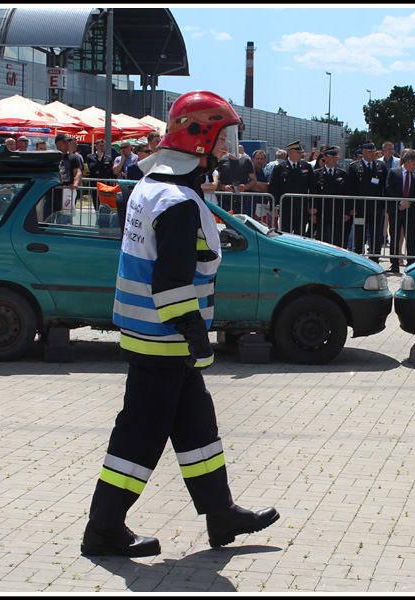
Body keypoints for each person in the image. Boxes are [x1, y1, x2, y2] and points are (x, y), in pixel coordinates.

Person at [81, 90, 279, 558]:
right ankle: (104, 528)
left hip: (152, 337)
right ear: (198, 139)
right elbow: (169, 282)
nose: (225, 151)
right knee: (139, 436)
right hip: (164, 340)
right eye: (221, 139)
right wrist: (195, 335)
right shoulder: (179, 202)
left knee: (197, 428)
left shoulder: (154, 188)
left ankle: (220, 514)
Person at [346, 142, 389, 260]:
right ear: (363, 152)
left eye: (373, 152)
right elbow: (350, 189)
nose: (372, 154)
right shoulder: (354, 167)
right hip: (360, 208)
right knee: (360, 234)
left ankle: (375, 258)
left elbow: (385, 187)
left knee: (376, 234)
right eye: (369, 152)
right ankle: (360, 258)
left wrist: (385, 205)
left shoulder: (381, 166)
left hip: (376, 207)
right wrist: (351, 207)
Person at [384, 147, 415, 271]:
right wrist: (400, 201)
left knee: (411, 236)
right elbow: (389, 188)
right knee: (394, 236)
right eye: (414, 164)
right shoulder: (393, 172)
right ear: (406, 162)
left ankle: (411, 263)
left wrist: (408, 202)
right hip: (396, 209)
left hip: (410, 211)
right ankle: (394, 264)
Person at [312, 147, 350, 247]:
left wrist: (347, 212)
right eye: (331, 157)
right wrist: (313, 212)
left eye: (335, 157)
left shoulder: (343, 174)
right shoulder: (317, 174)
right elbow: (313, 193)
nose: (334, 160)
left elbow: (347, 193)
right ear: (325, 158)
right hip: (322, 210)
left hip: (338, 210)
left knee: (338, 237)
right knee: (321, 237)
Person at [217, 142, 258, 215]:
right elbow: (217, 180)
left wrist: (245, 187)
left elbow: (253, 179)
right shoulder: (222, 160)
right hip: (226, 200)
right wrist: (223, 187)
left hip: (243, 200)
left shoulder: (246, 160)